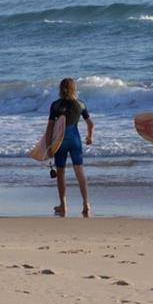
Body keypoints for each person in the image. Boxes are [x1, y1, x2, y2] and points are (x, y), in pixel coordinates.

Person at [46, 78, 95, 217]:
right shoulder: (81, 104)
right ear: (75, 89)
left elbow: (50, 127)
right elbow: (91, 124)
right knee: (79, 171)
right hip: (75, 140)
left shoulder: (55, 105)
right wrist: (90, 137)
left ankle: (63, 205)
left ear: (60, 89)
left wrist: (49, 145)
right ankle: (86, 204)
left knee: (61, 173)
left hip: (60, 142)